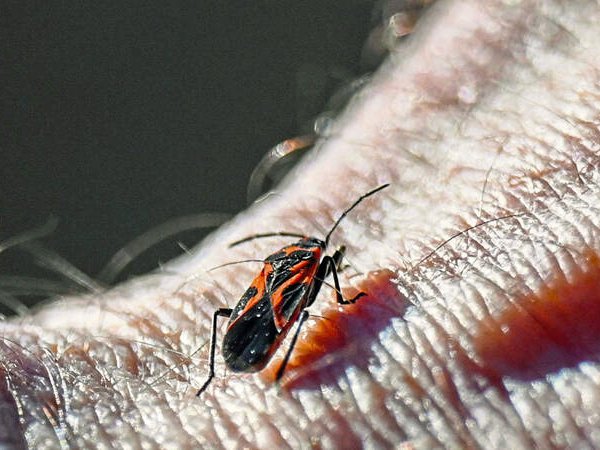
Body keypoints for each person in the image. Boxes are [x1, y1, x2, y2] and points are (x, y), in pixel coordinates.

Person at [2, 0, 599, 447]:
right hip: (268, 344)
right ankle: (265, 367)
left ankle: (239, 369)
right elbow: (320, 295)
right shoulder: (303, 269)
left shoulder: (289, 266)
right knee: (285, 315)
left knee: (258, 314)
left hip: (260, 332)